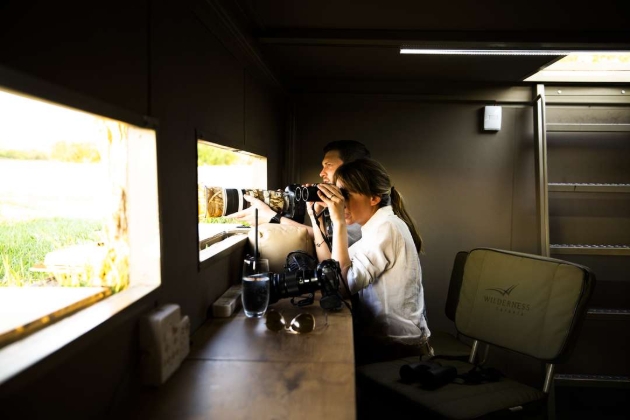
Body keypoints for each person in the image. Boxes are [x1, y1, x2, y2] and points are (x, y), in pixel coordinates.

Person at [312, 158, 431, 365]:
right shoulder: (376, 227)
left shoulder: (387, 228)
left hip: (398, 349)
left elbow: (341, 285)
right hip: (386, 341)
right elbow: (334, 268)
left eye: (345, 194)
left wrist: (338, 221)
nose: (340, 201)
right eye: (337, 194)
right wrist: (317, 218)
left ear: (374, 198)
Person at [228, 140, 371, 250]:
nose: (322, 173)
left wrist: (274, 218)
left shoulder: (364, 204)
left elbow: (336, 242)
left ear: (352, 168)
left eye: (328, 165)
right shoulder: (344, 198)